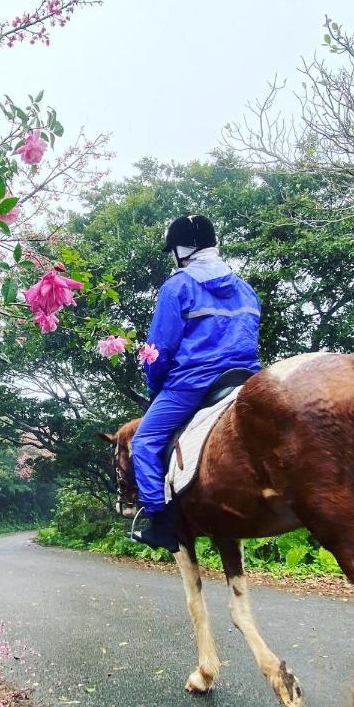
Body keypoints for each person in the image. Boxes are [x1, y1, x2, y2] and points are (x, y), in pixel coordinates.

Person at [128, 215, 261, 552]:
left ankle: (161, 522)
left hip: (193, 383)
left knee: (144, 440)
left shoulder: (178, 286)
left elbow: (158, 350)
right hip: (247, 381)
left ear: (182, 250)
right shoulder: (245, 288)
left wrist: (154, 387)